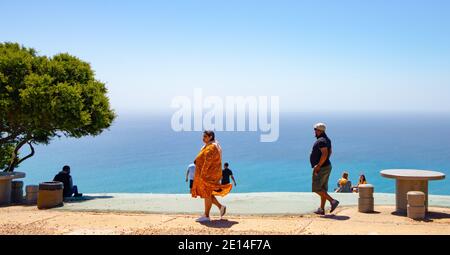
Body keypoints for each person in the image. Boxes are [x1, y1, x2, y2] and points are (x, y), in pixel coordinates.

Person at [191, 130, 233, 222]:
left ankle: (206, 216)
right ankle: (221, 207)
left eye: (205, 136)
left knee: (206, 193)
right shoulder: (213, 144)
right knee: (208, 193)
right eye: (203, 136)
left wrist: (202, 175)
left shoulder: (211, 147)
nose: (203, 138)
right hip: (213, 173)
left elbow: (207, 162)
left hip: (209, 174)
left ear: (210, 137)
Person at [310, 123, 339, 215]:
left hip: (321, 168)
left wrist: (319, 165)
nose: (314, 131)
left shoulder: (321, 140)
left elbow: (325, 153)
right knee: (322, 189)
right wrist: (325, 161)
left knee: (316, 188)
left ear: (320, 131)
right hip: (326, 166)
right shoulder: (327, 139)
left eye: (315, 129)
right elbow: (330, 152)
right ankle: (321, 209)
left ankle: (332, 201)